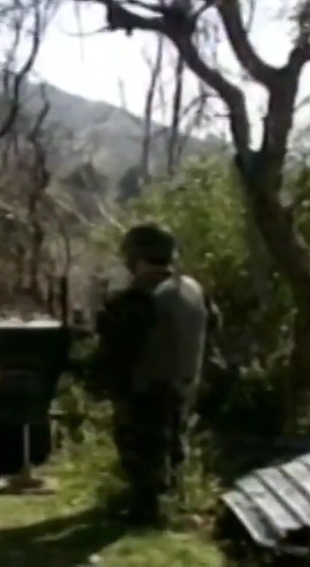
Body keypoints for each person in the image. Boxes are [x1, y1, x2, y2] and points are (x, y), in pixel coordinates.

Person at [93, 223, 218, 526]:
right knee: (175, 446)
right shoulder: (194, 290)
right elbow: (213, 327)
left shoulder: (136, 298)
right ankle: (172, 503)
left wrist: (103, 382)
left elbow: (118, 349)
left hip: (145, 389)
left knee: (141, 454)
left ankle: (145, 512)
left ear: (136, 256)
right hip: (184, 383)